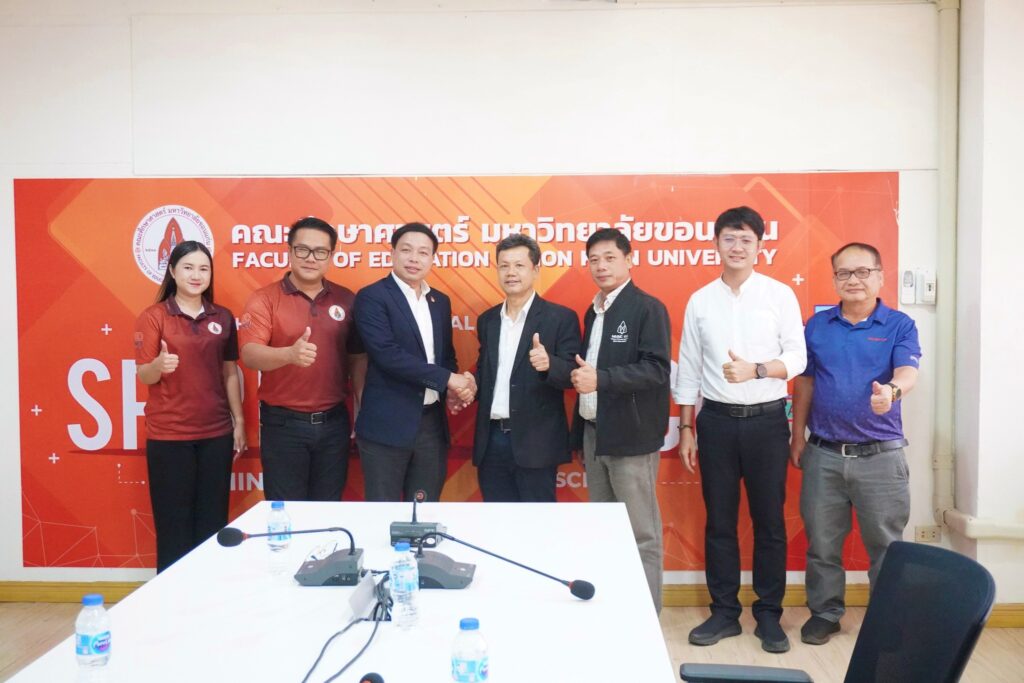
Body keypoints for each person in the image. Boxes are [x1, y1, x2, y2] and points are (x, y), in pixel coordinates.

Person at [674, 206, 806, 653]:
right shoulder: (700, 300)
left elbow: (798, 357)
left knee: (770, 522)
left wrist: (758, 369)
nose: (737, 247)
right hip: (716, 423)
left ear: (759, 246)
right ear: (716, 244)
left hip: (767, 422)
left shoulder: (779, 295)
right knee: (720, 522)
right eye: (729, 238)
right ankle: (724, 613)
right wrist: (687, 427)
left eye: (746, 239)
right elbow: (689, 368)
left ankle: (769, 615)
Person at [791, 242, 920, 645]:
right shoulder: (817, 326)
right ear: (834, 280)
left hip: (880, 456)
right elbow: (805, 382)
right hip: (824, 453)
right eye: (844, 273)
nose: (854, 280)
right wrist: (797, 436)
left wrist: (892, 393)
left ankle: (886, 621)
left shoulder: (899, 325)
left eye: (863, 271)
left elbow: (907, 372)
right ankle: (825, 613)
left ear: (880, 276)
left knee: (886, 546)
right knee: (822, 544)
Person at [570, 228, 671, 612]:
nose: (601, 266)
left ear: (629, 259)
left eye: (610, 257)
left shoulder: (647, 308)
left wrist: (602, 379)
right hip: (596, 435)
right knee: (605, 530)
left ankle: (646, 618)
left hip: (631, 438)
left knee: (642, 535)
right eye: (594, 259)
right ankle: (615, 612)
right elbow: (586, 371)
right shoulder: (594, 310)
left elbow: (656, 369)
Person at [135, 241, 245, 572]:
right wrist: (159, 366)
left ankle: (209, 591)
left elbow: (229, 372)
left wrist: (238, 421)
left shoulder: (222, 317)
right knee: (174, 527)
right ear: (172, 271)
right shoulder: (154, 316)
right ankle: (170, 596)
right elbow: (144, 374)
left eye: (203, 269)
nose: (196, 275)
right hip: (169, 436)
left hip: (216, 434)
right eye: (188, 267)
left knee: (212, 524)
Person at [239, 216, 366, 502]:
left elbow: (357, 359)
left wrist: (364, 407)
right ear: (289, 251)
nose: (311, 258)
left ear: (331, 256)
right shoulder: (264, 298)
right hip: (283, 425)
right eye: (303, 249)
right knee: (286, 512)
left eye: (320, 251)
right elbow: (249, 354)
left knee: (327, 509)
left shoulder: (346, 299)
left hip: (334, 423)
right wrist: (289, 354)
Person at [354, 222, 474, 502]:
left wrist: (451, 390)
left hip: (431, 425)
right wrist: (448, 379)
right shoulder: (372, 297)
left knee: (425, 509)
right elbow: (387, 354)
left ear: (432, 258)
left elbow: (445, 356)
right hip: (386, 424)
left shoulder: (439, 301)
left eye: (423, 252)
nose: (414, 258)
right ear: (392, 253)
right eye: (406, 250)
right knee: (382, 512)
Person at [467, 234, 581, 502]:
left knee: (537, 523)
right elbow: (487, 372)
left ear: (536, 270)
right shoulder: (488, 320)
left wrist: (550, 364)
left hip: (536, 443)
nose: (511, 273)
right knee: (497, 521)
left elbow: (573, 375)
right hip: (492, 440)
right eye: (504, 266)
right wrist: (469, 385)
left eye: (519, 265)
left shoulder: (560, 317)